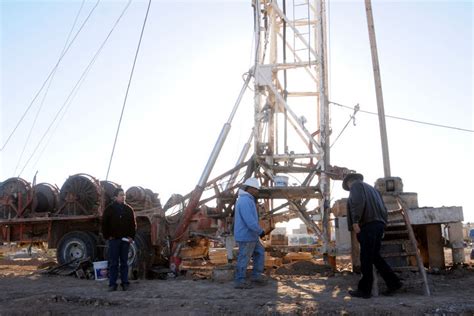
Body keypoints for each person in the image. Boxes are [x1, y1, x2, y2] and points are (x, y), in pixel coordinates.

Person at [343, 173, 402, 298]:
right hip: (378, 224)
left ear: (349, 182)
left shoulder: (356, 186)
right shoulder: (374, 190)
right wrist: (383, 224)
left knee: (366, 259)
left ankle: (365, 290)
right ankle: (394, 283)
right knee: (375, 256)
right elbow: (384, 209)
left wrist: (355, 221)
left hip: (367, 225)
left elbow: (358, 203)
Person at [233, 177, 267, 289]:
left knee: (260, 252)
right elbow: (249, 221)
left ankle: (256, 275)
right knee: (244, 257)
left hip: (251, 235)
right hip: (246, 236)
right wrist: (260, 231)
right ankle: (240, 280)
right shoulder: (245, 201)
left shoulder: (248, 200)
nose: (258, 192)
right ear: (251, 189)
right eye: (256, 189)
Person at [102, 188, 136, 291]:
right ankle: (112, 284)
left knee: (124, 262)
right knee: (113, 263)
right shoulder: (109, 209)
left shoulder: (128, 209)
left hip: (125, 240)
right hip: (114, 240)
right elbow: (104, 224)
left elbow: (133, 225)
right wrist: (108, 236)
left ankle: (125, 283)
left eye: (124, 195)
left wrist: (131, 236)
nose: (123, 197)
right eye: (121, 195)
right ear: (115, 197)